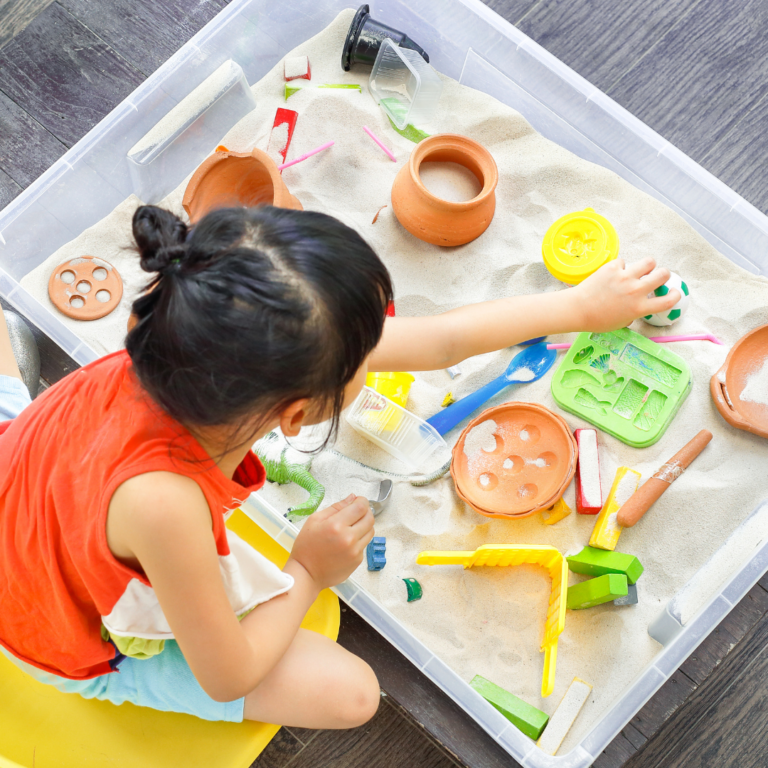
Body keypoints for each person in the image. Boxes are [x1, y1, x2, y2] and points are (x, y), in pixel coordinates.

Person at [0, 205, 679, 728]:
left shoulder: (175, 330)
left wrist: (579, 308)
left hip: (29, 487)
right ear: (298, 416)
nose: (382, 350)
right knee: (353, 694)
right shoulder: (164, 504)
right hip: (50, 630)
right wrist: (306, 571)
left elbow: (439, 342)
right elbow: (227, 674)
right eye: (364, 354)